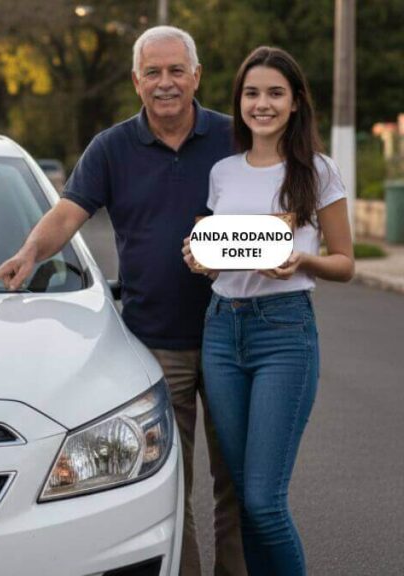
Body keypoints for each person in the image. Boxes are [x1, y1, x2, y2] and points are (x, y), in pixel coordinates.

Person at [0, 25, 246, 576]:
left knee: (239, 485)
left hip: (233, 336)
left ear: (197, 76)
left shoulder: (235, 138)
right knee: (171, 484)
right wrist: (30, 253)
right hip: (155, 346)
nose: (166, 83)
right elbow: (68, 213)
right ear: (136, 81)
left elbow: (279, 205)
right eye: (153, 72)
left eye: (177, 71)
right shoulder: (112, 148)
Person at [183, 46, 354, 575]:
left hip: (284, 332)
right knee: (244, 501)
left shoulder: (318, 171)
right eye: (252, 93)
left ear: (296, 102)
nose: (263, 104)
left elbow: (345, 262)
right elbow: (221, 249)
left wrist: (304, 259)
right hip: (221, 331)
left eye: (275, 93)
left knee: (263, 501)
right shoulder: (223, 171)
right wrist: (200, 257)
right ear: (239, 103)